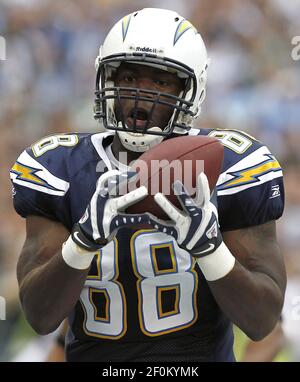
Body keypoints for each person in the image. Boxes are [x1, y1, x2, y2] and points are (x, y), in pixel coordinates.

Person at [10, 8, 286, 362]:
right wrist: (82, 243)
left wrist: (210, 249)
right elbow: (40, 316)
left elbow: (261, 322)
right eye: (128, 77)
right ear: (106, 80)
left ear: (192, 89)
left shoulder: (232, 169)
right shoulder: (60, 168)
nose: (141, 95)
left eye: (160, 82)